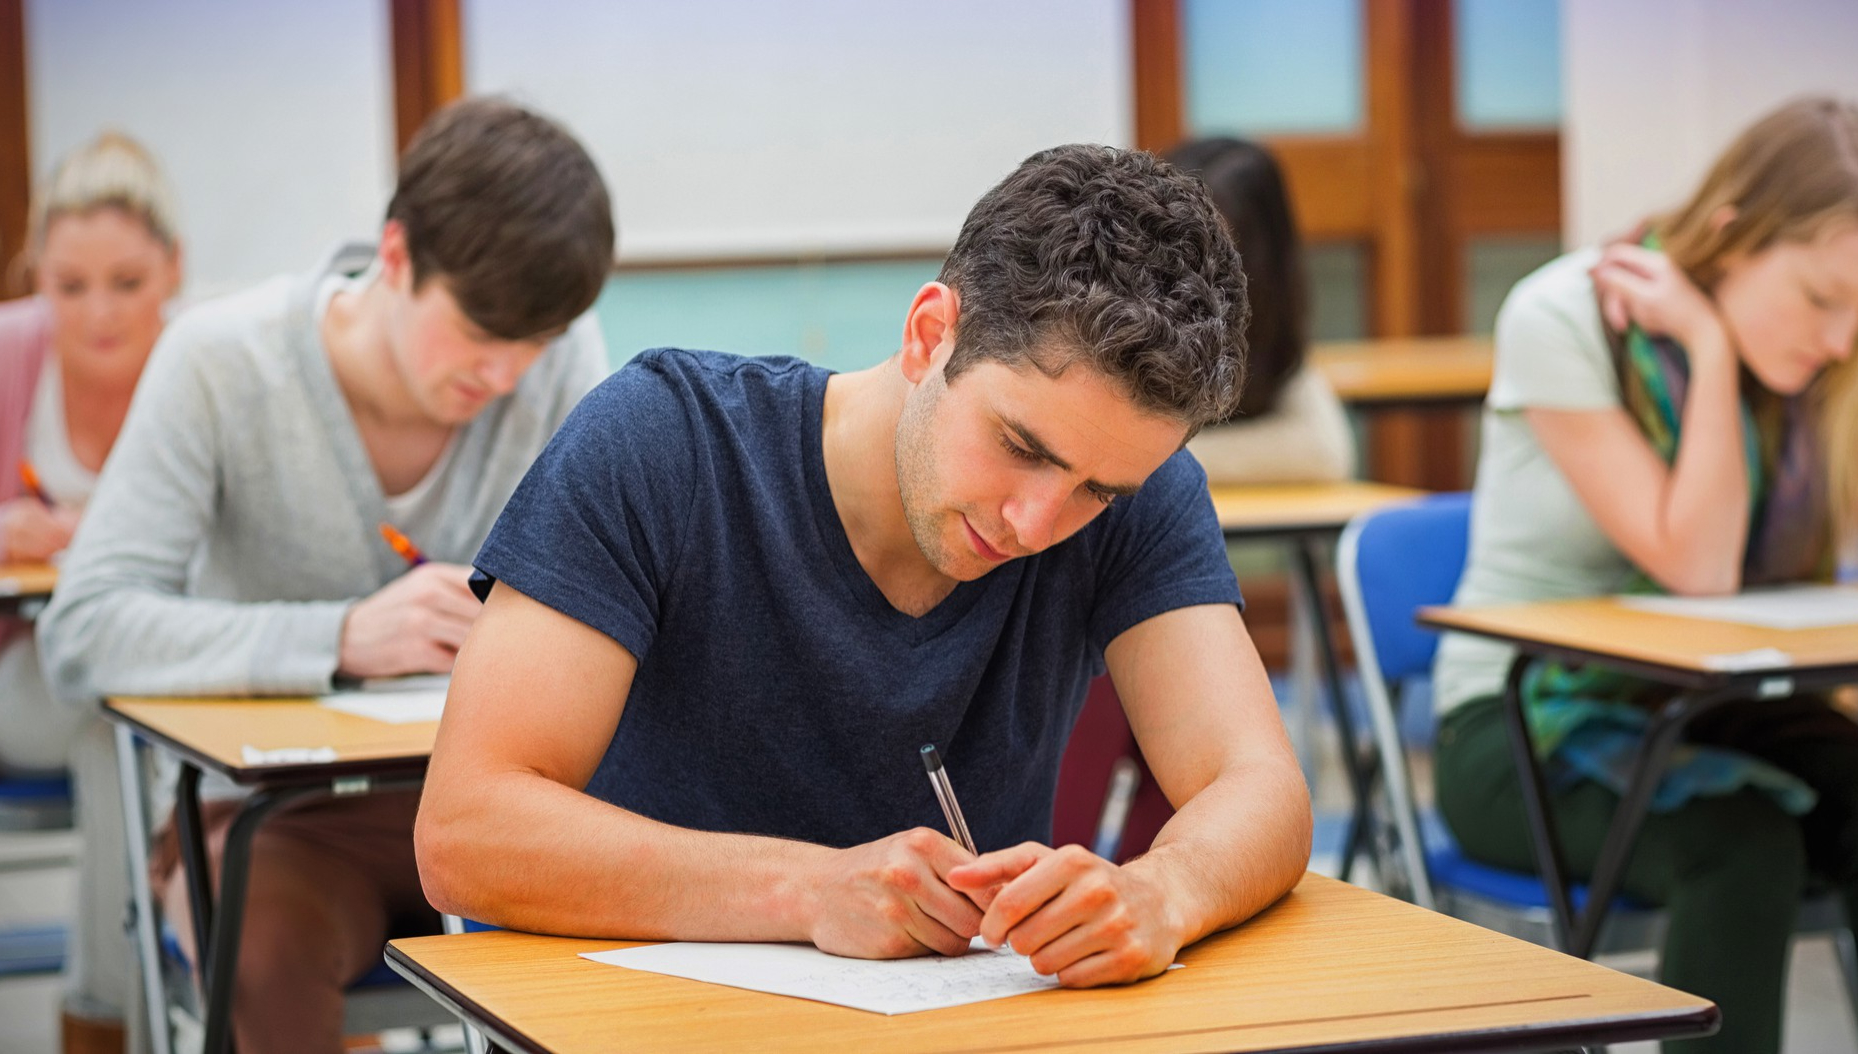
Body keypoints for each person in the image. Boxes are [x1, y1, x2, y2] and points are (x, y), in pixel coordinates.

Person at [414, 144, 1313, 985]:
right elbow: (466, 831)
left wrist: (1165, 890)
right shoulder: (663, 442)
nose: (1037, 522)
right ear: (931, 335)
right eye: (1020, 446)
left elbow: (1260, 788)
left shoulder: (1139, 497)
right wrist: (806, 891)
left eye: (1096, 492)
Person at [37, 97, 613, 1054]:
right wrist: (338, 637)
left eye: (537, 343)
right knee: (262, 948)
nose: (507, 374)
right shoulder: (222, 364)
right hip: (277, 827)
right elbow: (82, 631)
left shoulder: (560, 363)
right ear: (394, 257)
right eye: (479, 331)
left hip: (502, 812)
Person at [1431, 97, 1858, 1054]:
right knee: (1743, 847)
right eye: (1821, 298)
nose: (1844, 339)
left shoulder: (1825, 365)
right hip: (1523, 727)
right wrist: (1712, 351)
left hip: (1717, 705)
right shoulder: (1563, 317)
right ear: (1728, 239)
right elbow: (1700, 566)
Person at [0, 132, 178, 1054]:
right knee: (114, 720)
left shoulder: (200, 365)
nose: (99, 312)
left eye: (128, 283)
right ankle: (107, 1024)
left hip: (167, 664)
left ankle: (153, 1003)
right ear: (35, 275)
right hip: (16, 678)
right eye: (70, 284)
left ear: (174, 270)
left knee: (135, 725)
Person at [1165, 137, 1354, 484]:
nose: (1188, 267)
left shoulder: (1268, 334)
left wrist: (1151, 460)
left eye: (1215, 245)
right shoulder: (1126, 315)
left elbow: (1324, 453)